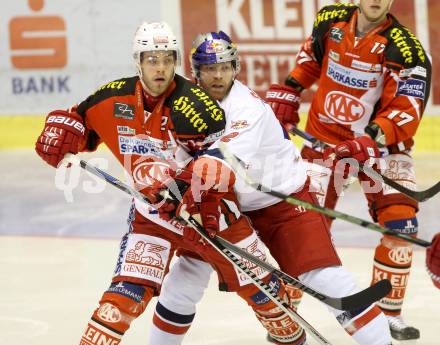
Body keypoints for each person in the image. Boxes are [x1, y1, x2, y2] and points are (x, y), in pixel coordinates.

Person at [34, 22, 306, 345]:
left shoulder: (197, 105)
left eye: (167, 59)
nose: (160, 68)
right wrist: (62, 134)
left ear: (176, 61)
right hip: (153, 219)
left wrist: (181, 190)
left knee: (266, 298)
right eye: (152, 59)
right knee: (123, 298)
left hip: (211, 218)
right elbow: (78, 121)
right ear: (138, 61)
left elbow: (217, 165)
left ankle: (286, 323)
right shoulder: (112, 98)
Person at [148, 30, 392, 345]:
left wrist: (178, 185)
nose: (218, 75)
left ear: (235, 67)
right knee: (184, 278)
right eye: (210, 68)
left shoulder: (247, 107)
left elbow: (222, 159)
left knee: (325, 278)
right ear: (196, 71)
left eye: (225, 66)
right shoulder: (183, 103)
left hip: (282, 202)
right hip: (227, 208)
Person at [265, 0, 431, 341]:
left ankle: (387, 314)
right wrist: (290, 90)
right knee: (301, 227)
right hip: (324, 141)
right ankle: (287, 311)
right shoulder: (330, 21)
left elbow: (407, 107)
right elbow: (311, 58)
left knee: (402, 224)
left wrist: (372, 137)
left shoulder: (406, 48)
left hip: (382, 149)